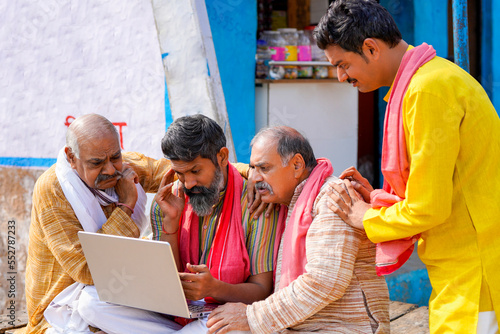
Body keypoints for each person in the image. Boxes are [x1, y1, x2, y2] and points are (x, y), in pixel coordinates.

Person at [313, 0, 500, 333]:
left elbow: (428, 208)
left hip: (476, 274)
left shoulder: (427, 91)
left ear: (370, 48)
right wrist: (381, 200)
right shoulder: (430, 80)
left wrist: (364, 217)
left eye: (343, 64)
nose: (341, 76)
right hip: (463, 269)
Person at [79, 114, 280, 334]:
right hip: (174, 314)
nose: (189, 183)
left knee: (235, 329)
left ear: (222, 157)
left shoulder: (254, 204)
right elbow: (166, 285)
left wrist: (215, 288)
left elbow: (262, 291)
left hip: (218, 316)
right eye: (180, 173)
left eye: (196, 171)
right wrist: (171, 226)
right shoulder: (167, 201)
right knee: (90, 302)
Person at [207, 126, 389, 334]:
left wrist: (251, 316)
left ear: (297, 165)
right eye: (253, 169)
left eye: (264, 168)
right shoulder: (289, 200)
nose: (256, 178)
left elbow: (324, 282)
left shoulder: (332, 198)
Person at [24, 114, 172, 334]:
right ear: (71, 158)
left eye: (115, 156)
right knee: (89, 302)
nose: (110, 169)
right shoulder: (54, 190)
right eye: (97, 163)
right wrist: (126, 206)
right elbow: (88, 271)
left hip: (115, 293)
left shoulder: (124, 169)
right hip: (60, 311)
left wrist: (242, 174)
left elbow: (178, 170)